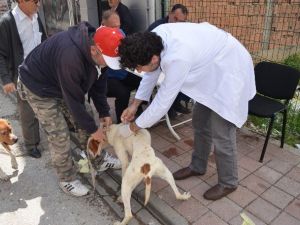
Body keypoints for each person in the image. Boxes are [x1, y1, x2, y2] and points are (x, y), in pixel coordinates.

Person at [117, 22, 256, 200]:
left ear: (153, 59)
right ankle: (198, 166)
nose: (137, 71)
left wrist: (134, 126)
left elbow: (162, 103)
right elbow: (151, 74)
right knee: (200, 122)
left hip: (230, 70)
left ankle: (228, 182)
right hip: (210, 69)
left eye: (138, 67)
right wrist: (134, 105)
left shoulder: (177, 58)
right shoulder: (153, 39)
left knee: (222, 132)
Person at [17, 22, 122, 197]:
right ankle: (66, 179)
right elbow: (73, 101)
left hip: (59, 82)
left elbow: (99, 82)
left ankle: (98, 159)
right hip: (38, 87)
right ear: (94, 50)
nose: (110, 65)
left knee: (87, 116)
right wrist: (94, 130)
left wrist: (104, 111)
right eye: (109, 61)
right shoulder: (70, 56)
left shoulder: (99, 50)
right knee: (59, 133)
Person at [0, 0, 47, 158]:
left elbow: (44, 40)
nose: (38, 4)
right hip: (22, 74)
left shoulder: (35, 16)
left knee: (49, 102)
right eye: (35, 1)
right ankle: (31, 144)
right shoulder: (7, 22)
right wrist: (6, 79)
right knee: (27, 111)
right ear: (21, 1)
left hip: (41, 70)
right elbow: (0, 53)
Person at [148, 3, 191, 118]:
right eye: (175, 19)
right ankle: (165, 108)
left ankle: (175, 104)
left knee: (185, 75)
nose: (177, 23)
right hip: (157, 62)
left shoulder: (183, 28)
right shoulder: (157, 27)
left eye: (181, 21)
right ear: (170, 14)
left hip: (173, 62)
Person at [101, 10, 142, 123]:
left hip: (122, 72)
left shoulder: (120, 33)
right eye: (113, 27)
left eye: (118, 26)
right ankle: (121, 121)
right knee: (123, 92)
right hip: (106, 77)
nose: (116, 30)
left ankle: (137, 107)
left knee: (143, 80)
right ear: (103, 25)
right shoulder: (98, 38)